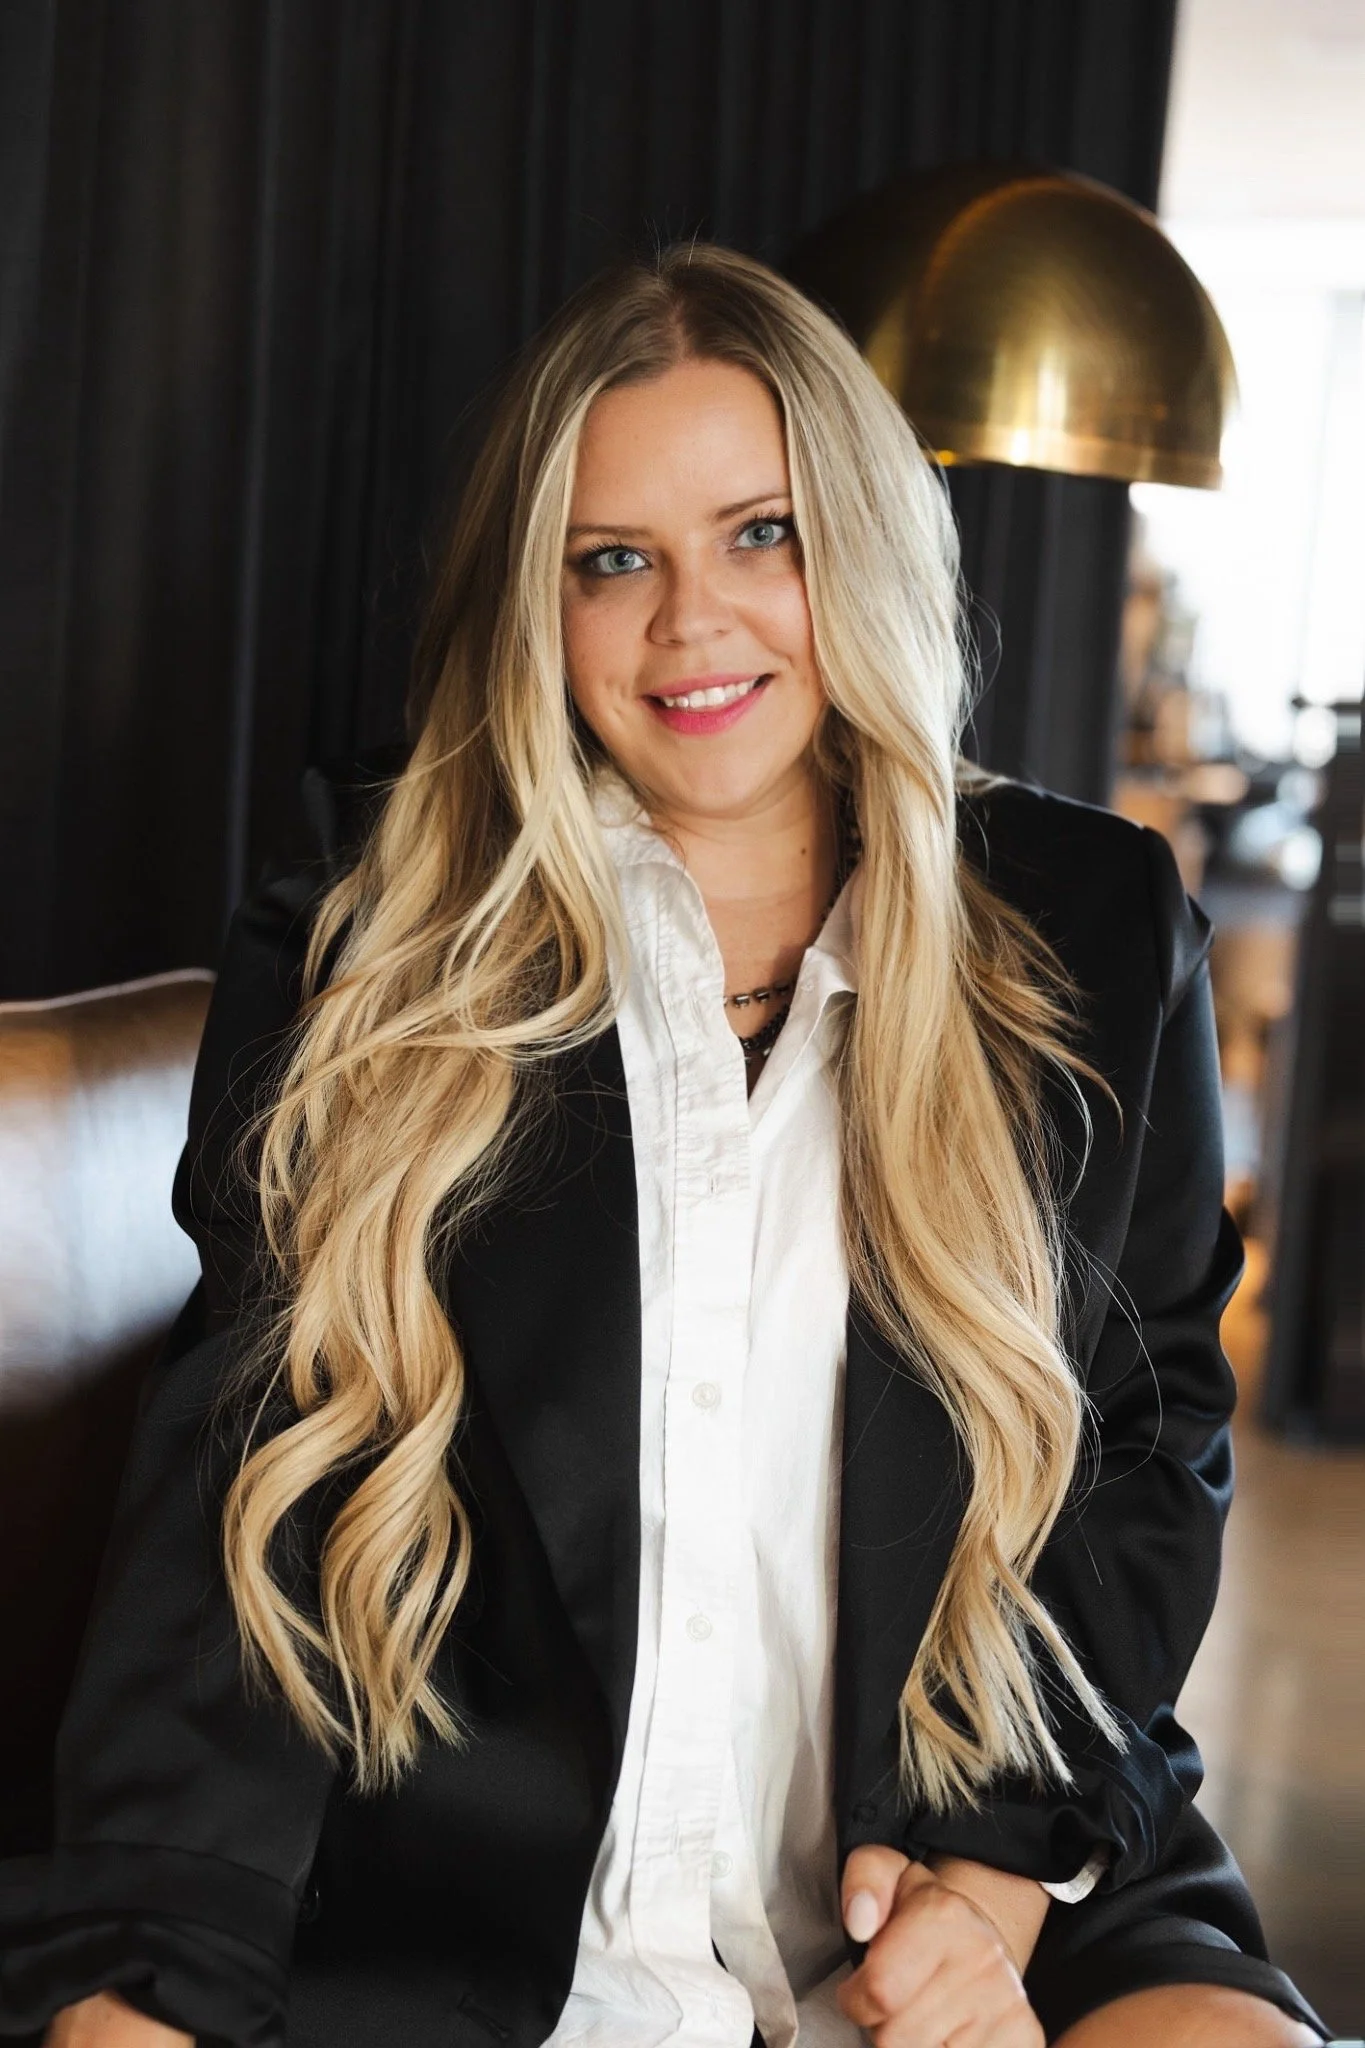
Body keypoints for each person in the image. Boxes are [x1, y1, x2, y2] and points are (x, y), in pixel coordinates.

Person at [0, 245, 1326, 2048]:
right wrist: (144, 1973)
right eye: (611, 561)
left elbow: (1152, 1434)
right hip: (495, 1924)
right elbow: (249, 1483)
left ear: (855, 541)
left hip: (992, 1829)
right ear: (535, 610)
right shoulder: (371, 942)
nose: (690, 623)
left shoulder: (1092, 924)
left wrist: (999, 1883)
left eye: (757, 534)